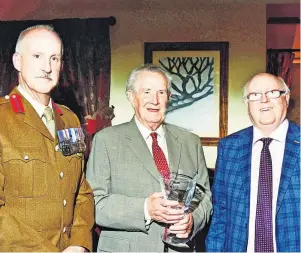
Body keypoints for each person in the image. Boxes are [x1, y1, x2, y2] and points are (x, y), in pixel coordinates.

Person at [86, 64, 212, 252]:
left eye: (161, 92)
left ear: (168, 98)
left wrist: (193, 221)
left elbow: (204, 197)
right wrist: (145, 208)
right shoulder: (106, 140)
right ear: (131, 97)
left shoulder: (190, 142)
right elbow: (95, 204)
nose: (155, 100)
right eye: (147, 92)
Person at [0, 25, 94, 252]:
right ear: (17, 61)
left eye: (54, 58)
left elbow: (81, 190)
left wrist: (79, 243)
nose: (47, 67)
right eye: (37, 56)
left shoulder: (69, 120)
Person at [206, 73, 300, 252]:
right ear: (247, 104)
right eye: (255, 95)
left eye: (272, 92)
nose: (264, 100)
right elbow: (220, 214)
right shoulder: (229, 147)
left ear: (286, 98)